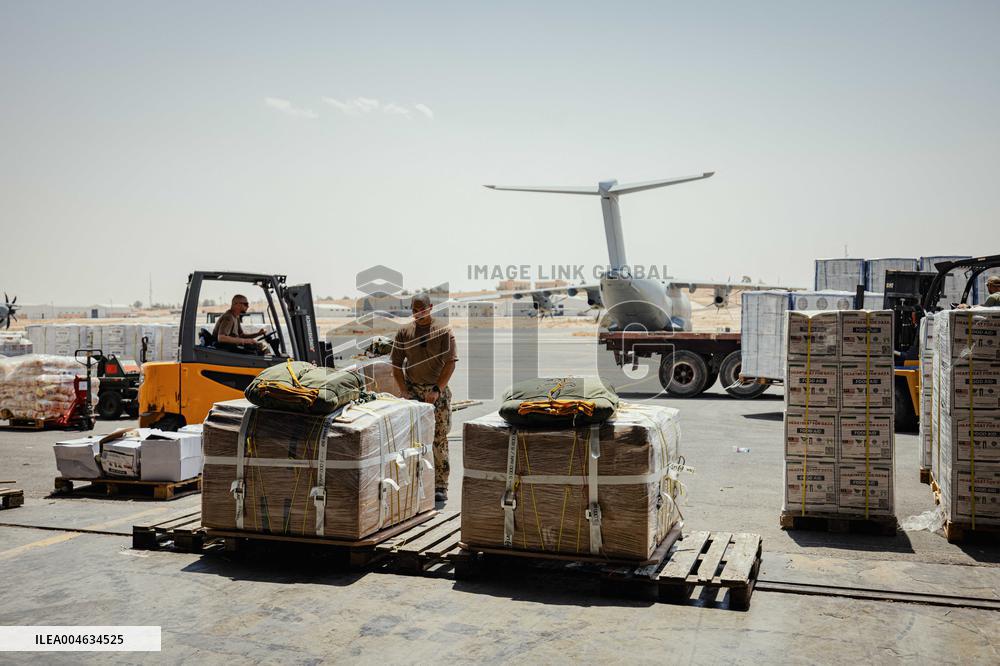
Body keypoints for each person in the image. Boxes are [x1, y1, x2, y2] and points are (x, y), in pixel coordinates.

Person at [390, 293, 458, 504]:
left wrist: (437, 389)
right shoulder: (404, 332)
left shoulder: (443, 330)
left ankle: (440, 486)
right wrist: (404, 390)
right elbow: (396, 364)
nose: (418, 313)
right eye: (414, 309)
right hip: (413, 393)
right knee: (411, 440)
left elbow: (450, 363)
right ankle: (414, 481)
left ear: (430, 307)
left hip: (436, 393)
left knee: (438, 439)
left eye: (422, 308)